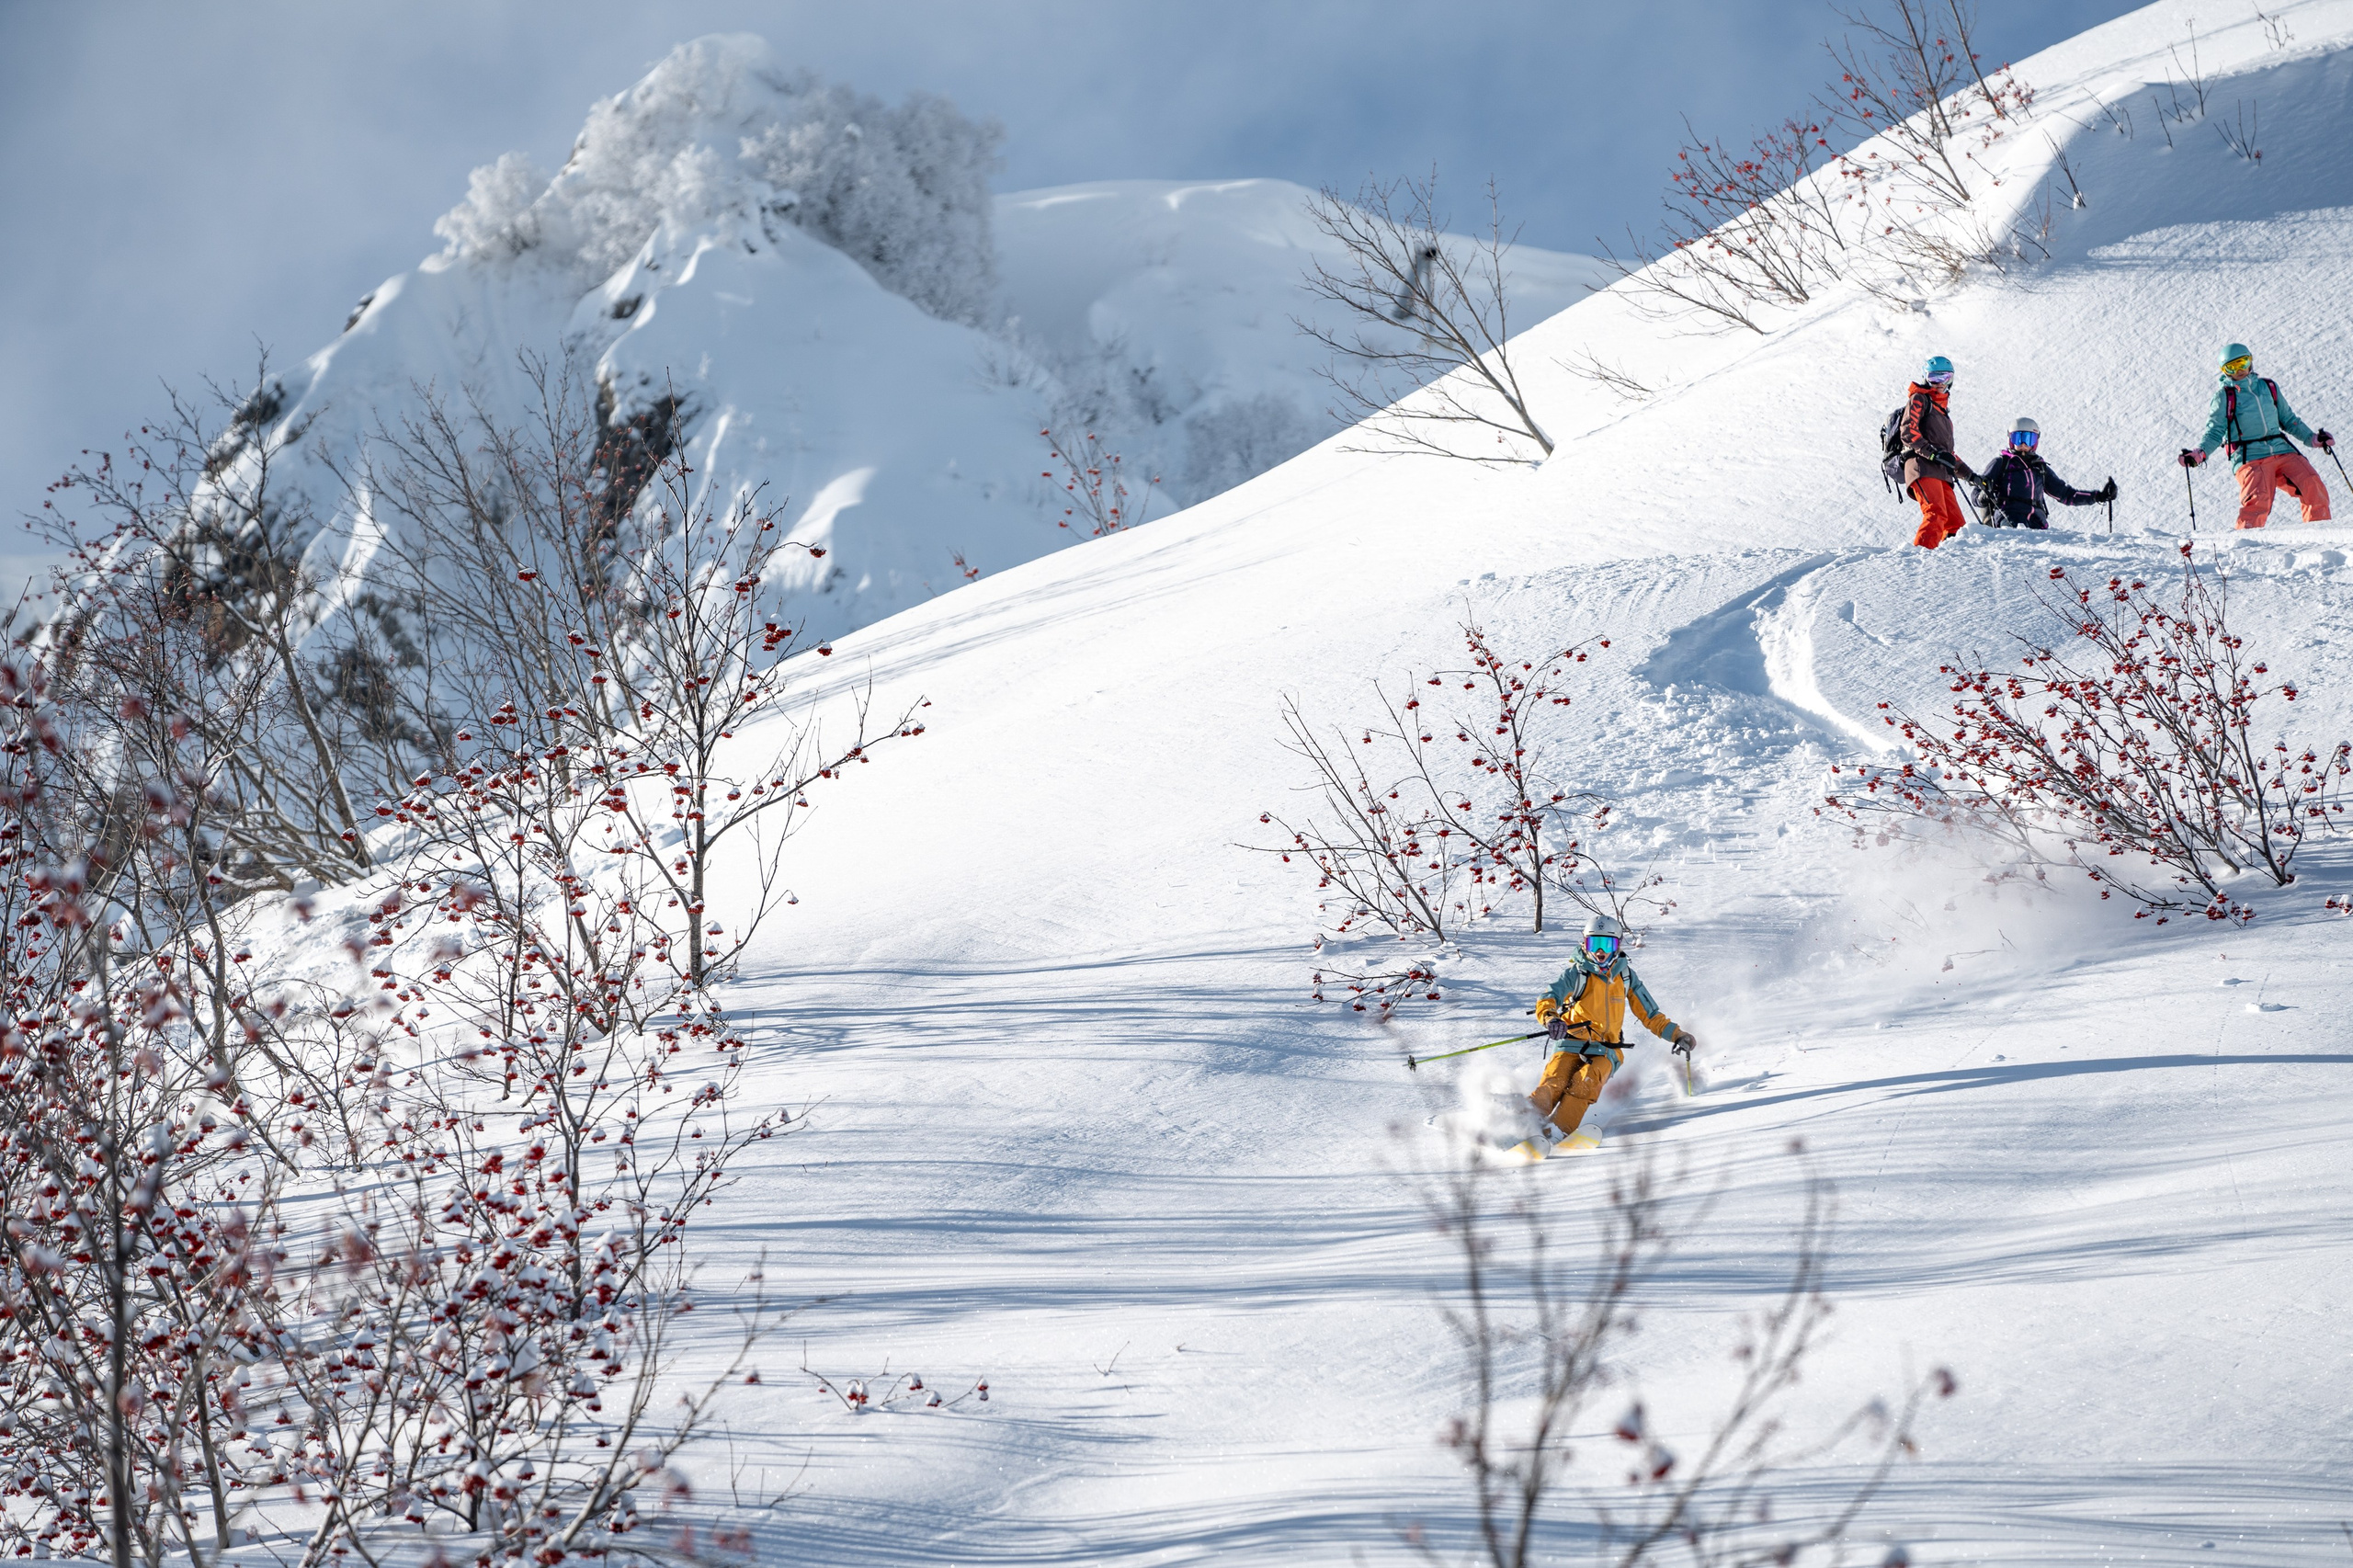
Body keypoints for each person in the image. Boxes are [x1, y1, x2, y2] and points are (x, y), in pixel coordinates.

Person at [1519, 914, 1697, 1154]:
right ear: (1585, 944)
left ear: (1618, 945)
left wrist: (1677, 1035)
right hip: (1571, 1042)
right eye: (1595, 944)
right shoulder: (1576, 973)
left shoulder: (1625, 977)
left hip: (1606, 1050)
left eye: (1607, 944)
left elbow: (1650, 1014)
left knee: (1586, 1082)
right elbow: (1548, 998)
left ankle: (1556, 1130)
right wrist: (1552, 1018)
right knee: (1554, 1082)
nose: (1600, 952)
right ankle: (1521, 1125)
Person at [2178, 342, 2336, 529]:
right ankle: (2245, 549)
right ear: (2224, 370)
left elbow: (2288, 419)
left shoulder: (2268, 387)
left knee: (2313, 485)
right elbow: (2215, 431)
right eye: (2232, 367)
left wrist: (2312, 438)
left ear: (2250, 361)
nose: (2239, 370)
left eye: (2243, 363)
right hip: (2250, 457)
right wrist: (2200, 453)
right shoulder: (2224, 396)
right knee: (2258, 501)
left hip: (2282, 450)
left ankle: (2320, 537)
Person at [1974, 417, 2115, 529]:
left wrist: (2099, 496)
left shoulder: (2039, 468)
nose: (2023, 443)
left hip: (2037, 521)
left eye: (2028, 439)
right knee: (2014, 538)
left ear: (2035, 441)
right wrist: (1982, 496)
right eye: (2018, 438)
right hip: (2008, 517)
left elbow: (2066, 494)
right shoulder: (2001, 463)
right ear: (2011, 440)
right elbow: (1977, 491)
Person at [1901, 356, 1978, 550]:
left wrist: (1970, 475)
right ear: (1926, 378)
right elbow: (1909, 432)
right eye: (1934, 378)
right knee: (1936, 513)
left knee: (1957, 525)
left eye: (1944, 378)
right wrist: (1933, 454)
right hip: (1922, 466)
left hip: (1941, 471)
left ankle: (1951, 564)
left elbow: (1948, 453)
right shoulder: (1919, 399)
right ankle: (1918, 561)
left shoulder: (1942, 413)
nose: (1939, 383)